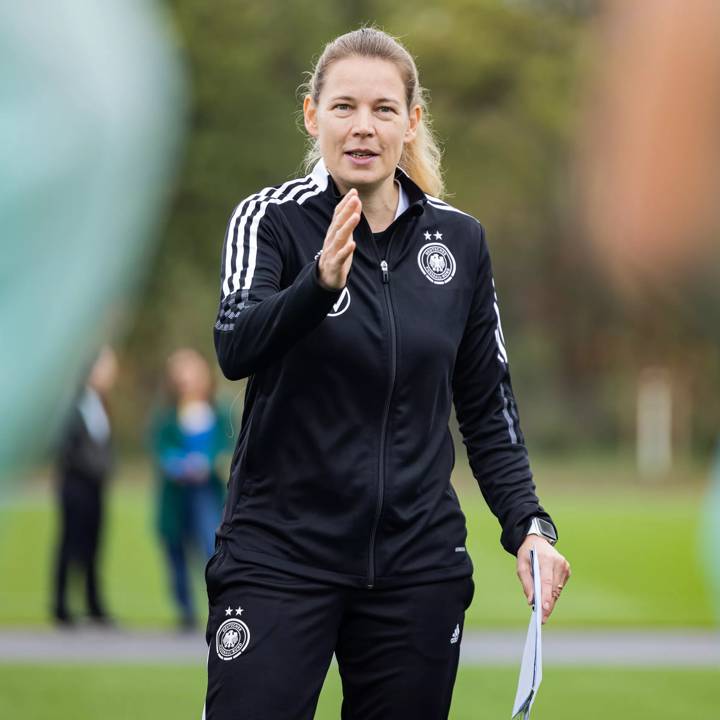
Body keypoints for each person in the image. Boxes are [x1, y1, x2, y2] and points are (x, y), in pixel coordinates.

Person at [204, 27, 571, 719]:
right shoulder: (271, 221)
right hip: (280, 558)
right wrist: (316, 286)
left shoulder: (460, 242)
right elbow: (234, 346)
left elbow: (487, 406)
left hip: (417, 569)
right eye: (343, 107)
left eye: (382, 109)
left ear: (412, 120)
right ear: (313, 117)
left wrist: (529, 525)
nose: (362, 127)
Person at [150, 348, 231, 630]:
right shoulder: (167, 415)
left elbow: (225, 448)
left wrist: (207, 464)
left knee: (210, 549)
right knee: (176, 552)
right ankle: (185, 611)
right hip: (176, 494)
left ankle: (218, 607)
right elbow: (161, 449)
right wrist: (176, 464)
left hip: (207, 493)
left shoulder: (217, 412)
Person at [52, 346, 118, 627]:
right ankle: (61, 605)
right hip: (76, 485)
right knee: (70, 543)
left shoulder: (101, 404)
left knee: (93, 544)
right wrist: (95, 468)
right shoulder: (75, 404)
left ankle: (93, 604)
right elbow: (69, 448)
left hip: (96, 487)